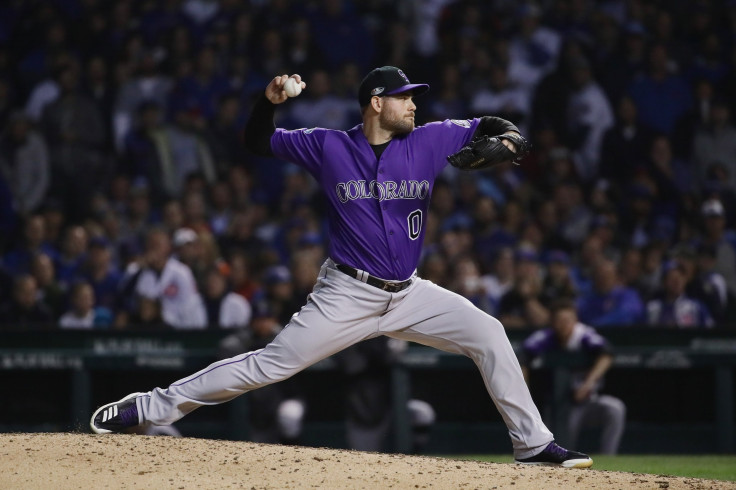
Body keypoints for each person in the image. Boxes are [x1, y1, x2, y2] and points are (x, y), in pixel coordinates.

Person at [90, 66, 592, 468]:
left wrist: (512, 140)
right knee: (268, 365)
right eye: (404, 96)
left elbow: (493, 124)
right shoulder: (328, 145)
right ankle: (147, 408)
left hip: (410, 293)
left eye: (414, 96)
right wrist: (268, 103)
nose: (414, 104)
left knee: (489, 333)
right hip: (346, 294)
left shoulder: (431, 138)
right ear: (377, 102)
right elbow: (256, 142)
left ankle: (533, 445)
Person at [521, 301, 626, 455]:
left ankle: (609, 457)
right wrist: (524, 394)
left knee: (615, 408)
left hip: (588, 400)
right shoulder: (545, 338)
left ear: (575, 320)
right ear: (552, 322)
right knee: (562, 443)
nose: (564, 325)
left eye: (568, 320)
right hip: (561, 406)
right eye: (559, 321)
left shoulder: (583, 335)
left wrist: (587, 385)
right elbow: (523, 357)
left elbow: (607, 353)